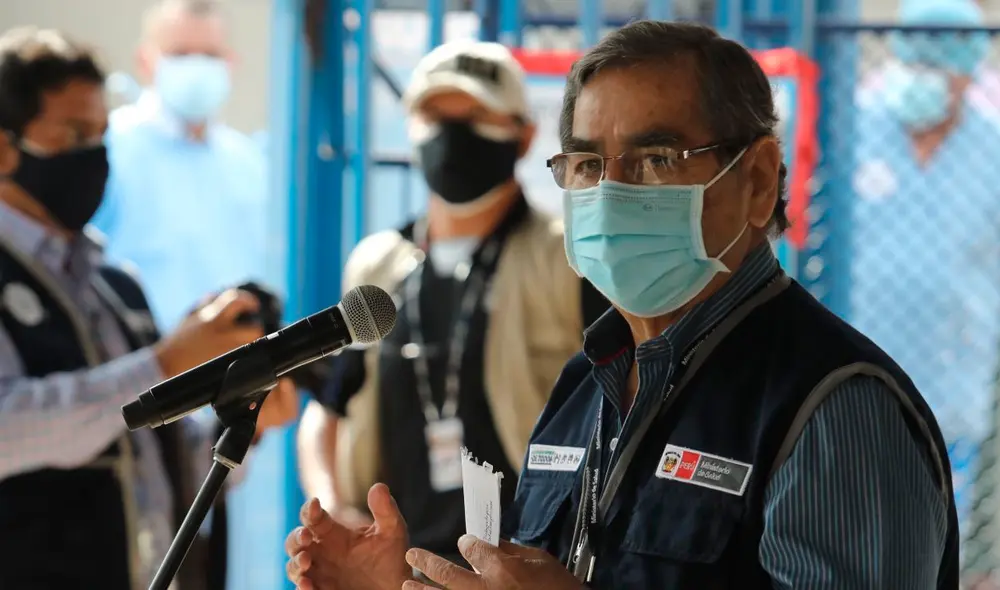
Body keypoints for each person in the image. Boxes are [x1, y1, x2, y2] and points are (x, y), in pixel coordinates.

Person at [286, 20, 959, 590]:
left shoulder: (828, 409)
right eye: (585, 164)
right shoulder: (586, 385)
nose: (610, 194)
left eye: (655, 159)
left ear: (757, 181)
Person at [0, 27, 298, 590]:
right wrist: (165, 363)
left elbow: (161, 459)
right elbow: (10, 428)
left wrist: (242, 418)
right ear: (4, 147)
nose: (93, 155)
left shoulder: (115, 286)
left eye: (101, 135)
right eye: (72, 134)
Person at [295, 39, 608, 570]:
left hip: (527, 567)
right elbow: (328, 409)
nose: (452, 135)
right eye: (434, 115)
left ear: (524, 134)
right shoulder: (378, 263)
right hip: (399, 570)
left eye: (476, 115)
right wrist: (334, 511)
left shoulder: (568, 256)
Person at [850, 0, 1000, 582]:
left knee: (934, 535)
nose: (924, 85)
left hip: (951, 369)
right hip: (853, 368)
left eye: (939, 73)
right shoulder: (855, 124)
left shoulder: (992, 149)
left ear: (967, 76)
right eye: (915, 67)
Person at [91, 0, 269, 333]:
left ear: (231, 63)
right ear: (146, 60)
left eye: (210, 55)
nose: (197, 67)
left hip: (240, 367)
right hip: (142, 372)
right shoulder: (107, 149)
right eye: (180, 53)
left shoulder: (248, 161)